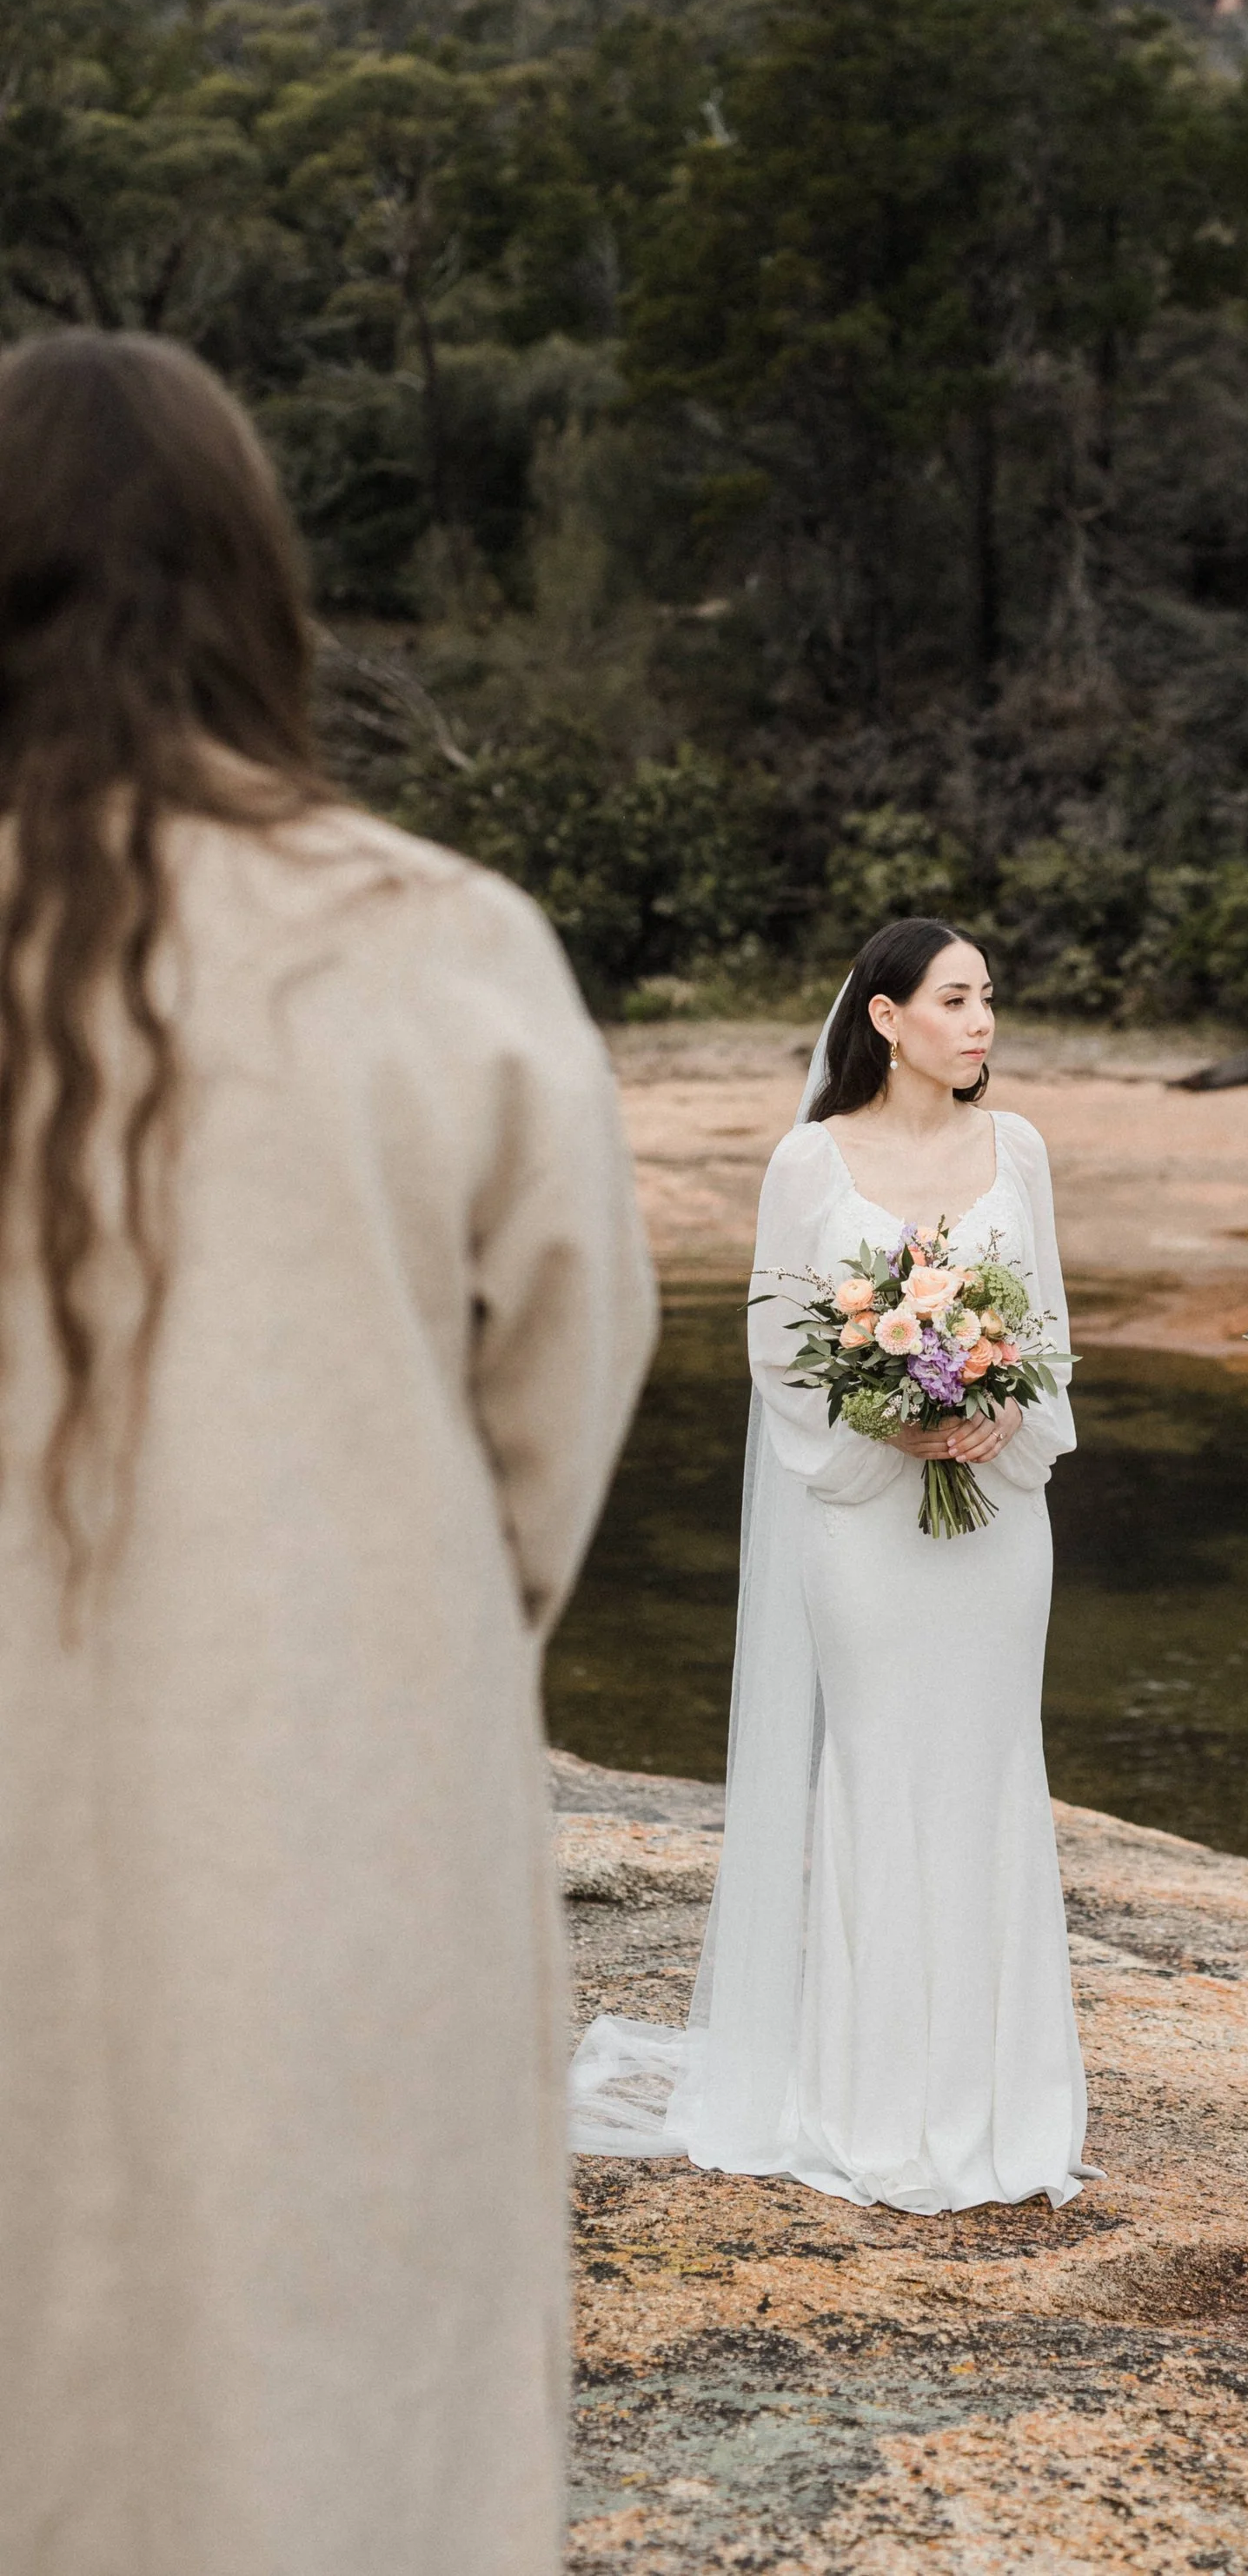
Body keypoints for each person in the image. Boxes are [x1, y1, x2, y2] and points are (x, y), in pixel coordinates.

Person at [0, 332, 659, 2576]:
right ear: (264, 594)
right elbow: (548, 1462)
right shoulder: (444, 946)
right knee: (335, 2439)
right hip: (343, 1851)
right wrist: (371, 1624)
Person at [572, 917, 1090, 2210]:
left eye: (989, 999)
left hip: (998, 1528)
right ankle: (869, 2104)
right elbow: (781, 1352)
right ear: (886, 1016)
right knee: (880, 1775)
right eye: (958, 999)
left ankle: (1002, 2109)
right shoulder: (811, 1162)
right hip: (865, 1525)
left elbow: (1056, 1333)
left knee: (988, 1769)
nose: (982, 1023)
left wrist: (1006, 1406)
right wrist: (890, 1413)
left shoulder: (1015, 1147)